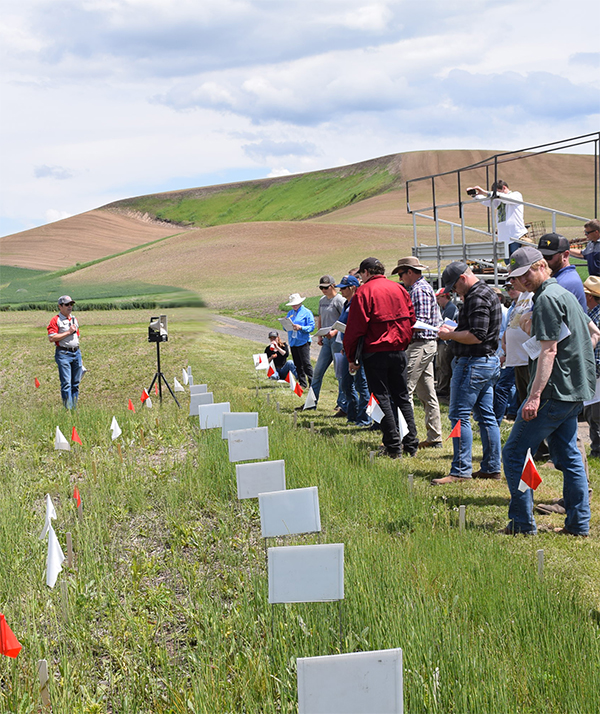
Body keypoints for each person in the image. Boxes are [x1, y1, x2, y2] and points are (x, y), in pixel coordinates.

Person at [500, 247, 599, 536]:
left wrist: (533, 396)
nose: (523, 280)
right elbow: (594, 334)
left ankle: (521, 523)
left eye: (526, 272)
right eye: (517, 276)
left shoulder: (547, 300)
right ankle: (579, 524)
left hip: (552, 393)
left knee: (515, 452)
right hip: (573, 392)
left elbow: (549, 350)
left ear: (542, 265)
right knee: (569, 457)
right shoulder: (567, 295)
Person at [431, 263, 502, 484]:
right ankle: (491, 467)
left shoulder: (476, 297)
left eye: (454, 287)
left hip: (473, 363)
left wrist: (450, 336)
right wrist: (454, 331)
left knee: (459, 416)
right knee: (486, 416)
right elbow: (476, 331)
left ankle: (461, 470)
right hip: (487, 362)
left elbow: (476, 335)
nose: (454, 292)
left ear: (463, 278)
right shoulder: (486, 292)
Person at [344, 257, 419, 458]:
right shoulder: (400, 289)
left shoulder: (364, 292)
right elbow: (411, 318)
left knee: (382, 397)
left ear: (366, 272)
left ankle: (393, 446)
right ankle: (410, 443)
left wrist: (351, 357)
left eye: (361, 275)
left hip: (376, 351)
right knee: (402, 396)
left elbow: (355, 329)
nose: (360, 279)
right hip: (399, 349)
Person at [392, 256, 443, 448]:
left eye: (401, 274)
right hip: (424, 344)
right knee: (427, 393)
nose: (400, 278)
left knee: (405, 390)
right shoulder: (419, 288)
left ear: (410, 272)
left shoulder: (419, 290)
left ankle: (406, 437)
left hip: (420, 343)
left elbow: (419, 322)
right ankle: (434, 437)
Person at [335, 275, 371, 427]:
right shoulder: (346, 304)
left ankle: (364, 418)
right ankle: (352, 414)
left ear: (353, 288)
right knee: (346, 383)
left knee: (361, 384)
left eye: (344, 288)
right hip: (347, 347)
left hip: (357, 349)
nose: (341, 291)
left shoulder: (357, 304)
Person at [309, 275, 347, 416]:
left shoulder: (340, 301)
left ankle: (341, 404)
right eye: (321, 288)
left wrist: (334, 332)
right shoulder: (322, 301)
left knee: (340, 373)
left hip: (337, 340)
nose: (323, 290)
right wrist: (320, 335)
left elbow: (344, 321)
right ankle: (311, 402)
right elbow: (320, 318)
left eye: (326, 287)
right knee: (318, 371)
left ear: (332, 286)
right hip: (326, 340)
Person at [467, 180, 528, 255]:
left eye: (498, 192)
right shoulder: (499, 200)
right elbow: (487, 202)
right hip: (503, 238)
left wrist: (486, 192)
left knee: (519, 262)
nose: (496, 196)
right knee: (508, 263)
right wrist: (475, 195)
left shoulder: (516, 195)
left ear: (504, 188)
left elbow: (506, 199)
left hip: (516, 236)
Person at [47, 295, 82, 409]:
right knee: (66, 383)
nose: (70, 307)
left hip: (76, 353)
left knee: (75, 383)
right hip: (63, 354)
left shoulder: (74, 319)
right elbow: (52, 338)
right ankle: (68, 409)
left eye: (71, 304)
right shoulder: (55, 320)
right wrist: (68, 332)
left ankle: (74, 408)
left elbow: (77, 335)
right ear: (60, 306)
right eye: (67, 304)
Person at [537, 232, 586, 311]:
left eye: (548, 256)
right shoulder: (559, 277)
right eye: (541, 256)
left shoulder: (566, 282)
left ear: (565, 255)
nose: (543, 261)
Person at [284, 294, 315, 390]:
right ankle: (302, 383)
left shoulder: (307, 312)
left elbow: (311, 327)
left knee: (306, 363)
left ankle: (312, 383)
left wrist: (301, 327)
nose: (294, 306)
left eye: (296, 304)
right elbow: (285, 327)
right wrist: (286, 325)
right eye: (292, 304)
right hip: (293, 341)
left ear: (300, 302)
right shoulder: (290, 313)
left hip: (303, 341)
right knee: (297, 364)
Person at [435, 287, 458, 397]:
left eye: (439, 298)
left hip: (446, 342)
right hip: (442, 341)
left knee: (444, 365)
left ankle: (443, 388)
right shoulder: (444, 308)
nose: (437, 301)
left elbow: (446, 325)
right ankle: (441, 386)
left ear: (445, 296)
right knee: (440, 365)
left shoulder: (451, 308)